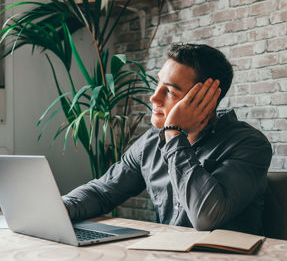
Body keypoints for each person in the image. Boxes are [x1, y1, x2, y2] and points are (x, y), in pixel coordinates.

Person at [62, 43, 272, 235]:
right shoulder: (151, 142)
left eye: (170, 91)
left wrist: (173, 133)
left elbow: (205, 217)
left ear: (205, 100)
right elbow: (102, 192)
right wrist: (58, 207)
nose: (154, 97)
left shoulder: (249, 144)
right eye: (158, 84)